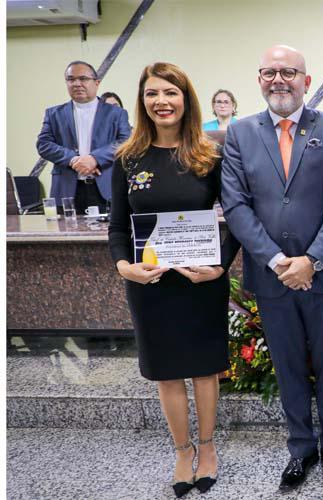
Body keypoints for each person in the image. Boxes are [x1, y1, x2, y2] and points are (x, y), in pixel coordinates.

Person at [221, 45, 323, 493]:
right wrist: (280, 261)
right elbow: (236, 205)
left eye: (288, 72)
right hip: (272, 276)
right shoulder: (240, 134)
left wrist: (312, 260)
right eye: (269, 72)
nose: (278, 80)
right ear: (259, 78)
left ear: (306, 78)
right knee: (288, 369)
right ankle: (301, 451)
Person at [108, 62, 240, 497]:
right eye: (152, 94)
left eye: (170, 93)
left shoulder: (209, 155)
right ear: (142, 102)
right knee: (167, 372)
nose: (161, 101)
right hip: (150, 285)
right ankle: (182, 452)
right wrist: (124, 267)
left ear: (186, 99)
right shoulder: (128, 158)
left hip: (200, 282)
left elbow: (237, 220)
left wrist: (220, 265)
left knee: (204, 370)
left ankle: (207, 448)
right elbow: (116, 227)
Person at [37, 60, 131, 214]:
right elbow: (43, 144)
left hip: (106, 188)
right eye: (71, 79)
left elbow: (126, 141)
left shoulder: (116, 113)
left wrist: (94, 158)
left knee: (108, 235)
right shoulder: (54, 114)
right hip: (67, 191)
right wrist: (73, 159)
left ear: (97, 82)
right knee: (65, 237)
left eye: (83, 79)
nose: (77, 83)